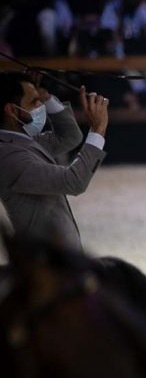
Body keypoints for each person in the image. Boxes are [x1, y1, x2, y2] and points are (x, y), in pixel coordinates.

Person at [0, 72, 109, 251]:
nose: (40, 106)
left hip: (58, 255)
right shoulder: (8, 156)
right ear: (12, 110)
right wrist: (98, 129)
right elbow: (74, 181)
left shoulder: (23, 140)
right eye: (34, 102)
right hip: (45, 260)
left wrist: (46, 97)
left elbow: (70, 137)